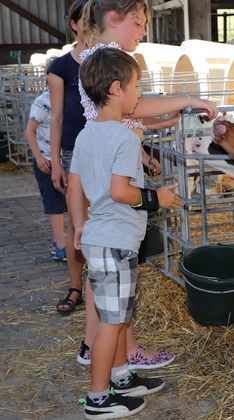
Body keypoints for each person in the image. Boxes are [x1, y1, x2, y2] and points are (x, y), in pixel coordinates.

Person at [76, 0, 219, 370]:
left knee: (105, 284)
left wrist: (166, 119)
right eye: (137, 23)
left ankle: (97, 350)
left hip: (104, 194)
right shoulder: (109, 58)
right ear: (113, 19)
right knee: (117, 291)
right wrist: (189, 99)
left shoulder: (96, 58)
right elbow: (133, 110)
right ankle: (115, 361)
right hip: (118, 198)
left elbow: (127, 114)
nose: (142, 32)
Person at [68, 47, 183, 419]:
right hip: (114, 239)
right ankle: (98, 399)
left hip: (102, 237)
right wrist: (158, 197)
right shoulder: (122, 138)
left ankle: (119, 377)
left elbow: (84, 185)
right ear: (117, 88)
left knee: (113, 317)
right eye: (137, 87)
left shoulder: (89, 134)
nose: (139, 94)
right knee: (112, 322)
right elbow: (121, 191)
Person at [48, 0, 88, 313]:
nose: (89, 23)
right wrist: (56, 162)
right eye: (83, 18)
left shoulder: (108, 60)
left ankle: (104, 284)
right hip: (75, 151)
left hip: (107, 150)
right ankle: (76, 288)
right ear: (73, 23)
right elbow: (57, 117)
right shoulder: (60, 67)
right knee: (76, 223)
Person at [26, 80, 67, 262]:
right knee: (54, 203)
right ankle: (61, 245)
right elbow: (30, 131)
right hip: (47, 161)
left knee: (74, 201)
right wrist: (39, 158)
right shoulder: (42, 101)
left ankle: (76, 242)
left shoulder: (70, 100)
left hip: (66, 158)